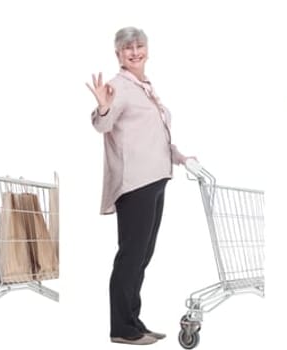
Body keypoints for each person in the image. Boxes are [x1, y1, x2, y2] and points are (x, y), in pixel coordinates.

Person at [88, 26, 194, 346]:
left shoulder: (144, 86)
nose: (134, 52)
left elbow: (151, 134)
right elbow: (102, 124)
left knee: (142, 256)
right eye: (127, 48)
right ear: (118, 54)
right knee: (131, 256)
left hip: (157, 178)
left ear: (147, 49)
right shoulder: (118, 86)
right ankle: (121, 328)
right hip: (135, 183)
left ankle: (134, 320)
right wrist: (103, 106)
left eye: (139, 46)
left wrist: (178, 156)